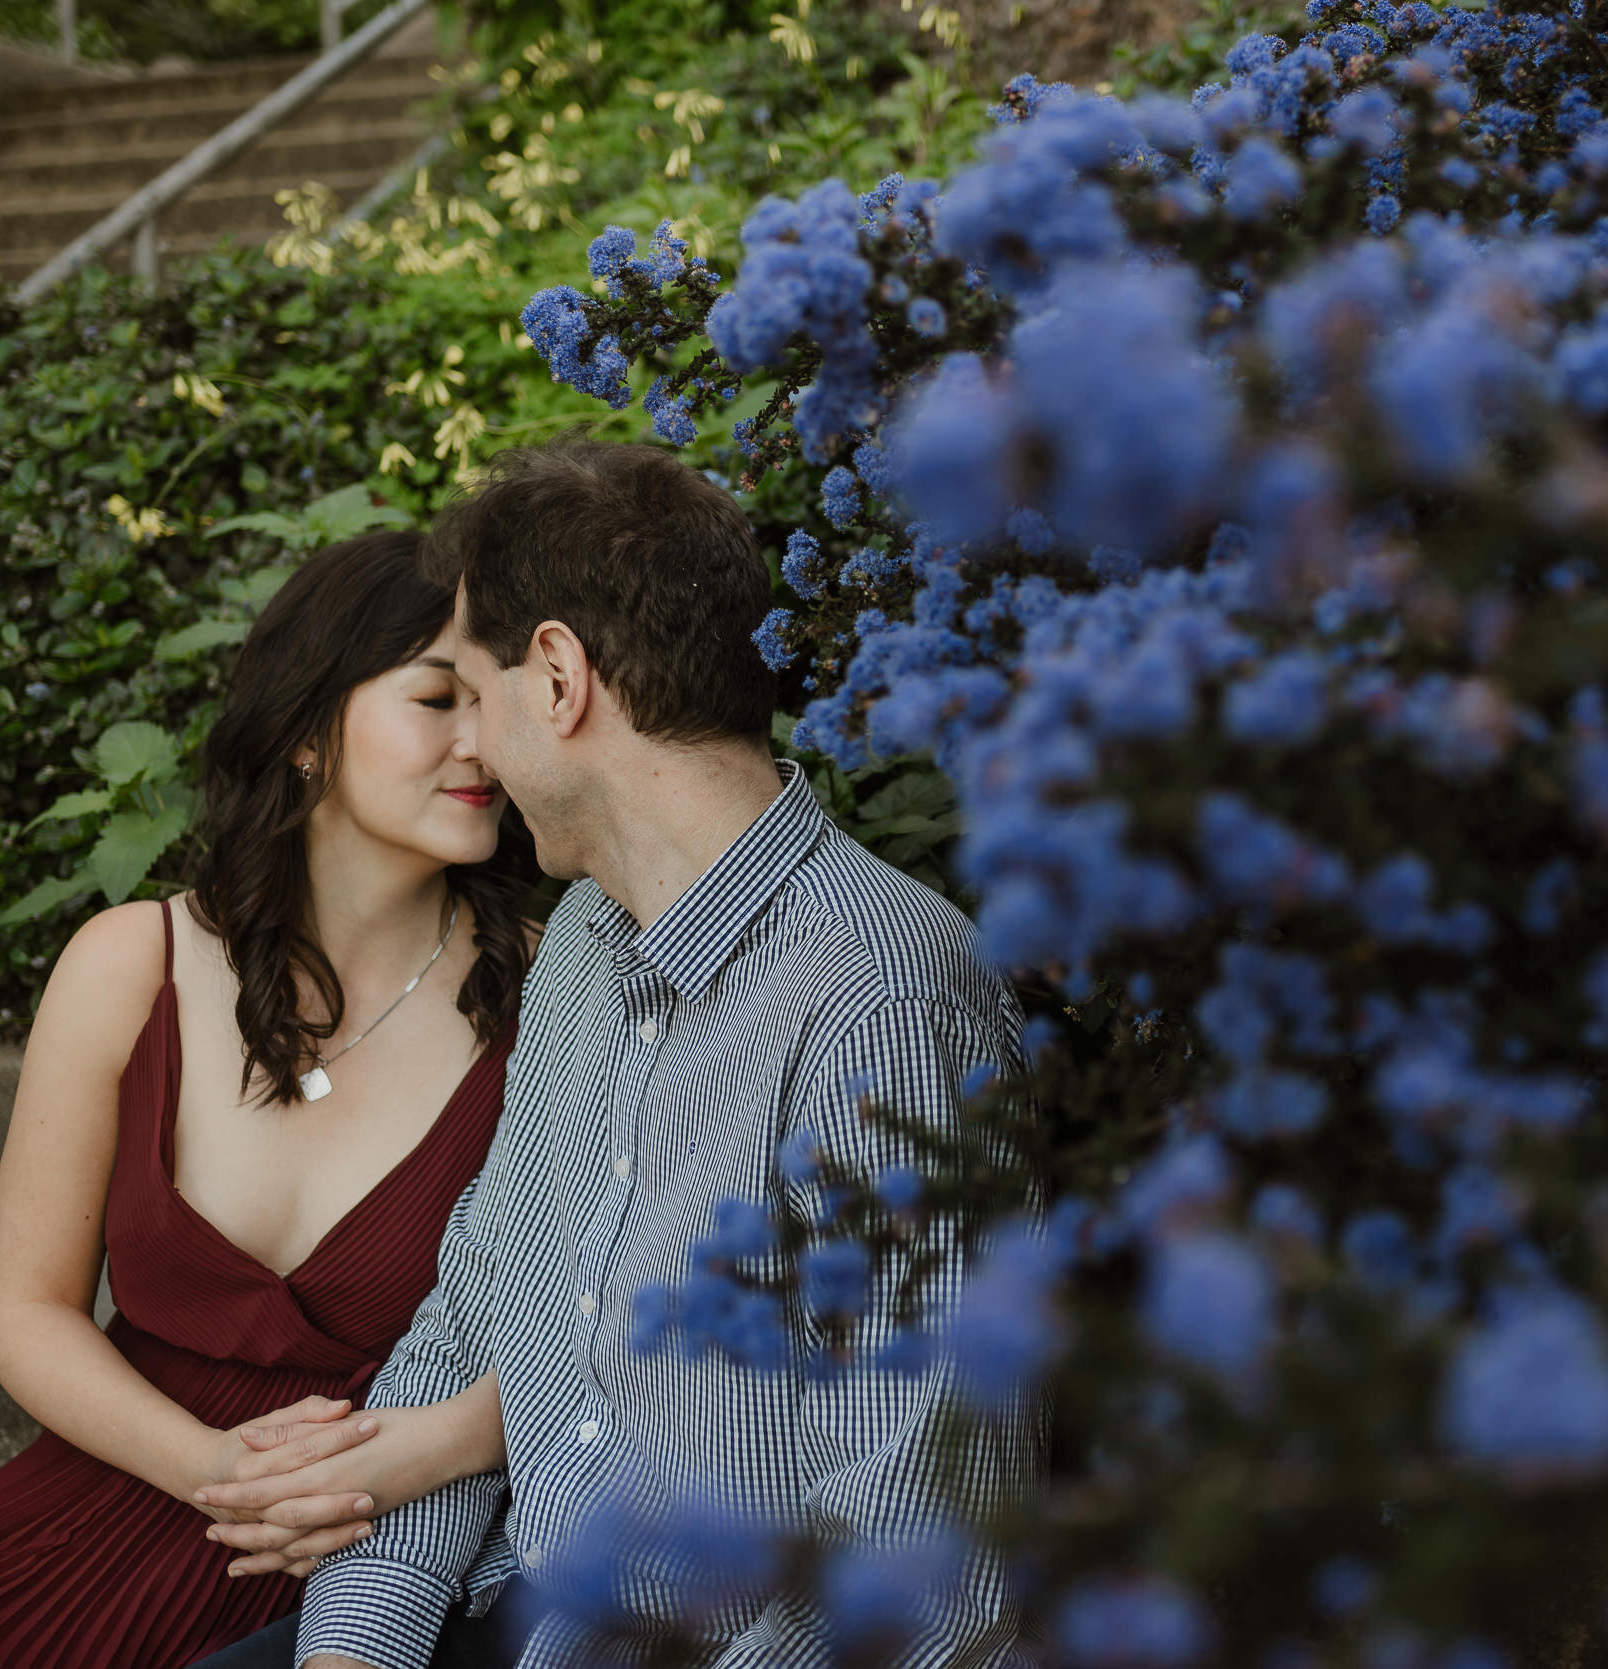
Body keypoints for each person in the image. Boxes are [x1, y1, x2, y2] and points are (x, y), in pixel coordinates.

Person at [185, 438, 1036, 1669]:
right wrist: (354, 1647)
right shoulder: (584, 937)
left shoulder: (881, 998)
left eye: (470, 695)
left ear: (557, 677)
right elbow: (479, 1313)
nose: (469, 748)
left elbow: (922, 1556)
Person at [0, 530, 542, 1669]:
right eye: (436, 699)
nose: (485, 745)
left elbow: (603, 1326)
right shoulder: (132, 961)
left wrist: (410, 1459)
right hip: (135, 1471)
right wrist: (216, 1471)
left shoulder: (551, 988)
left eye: (498, 703)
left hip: (383, 1531)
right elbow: (26, 1307)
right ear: (310, 731)